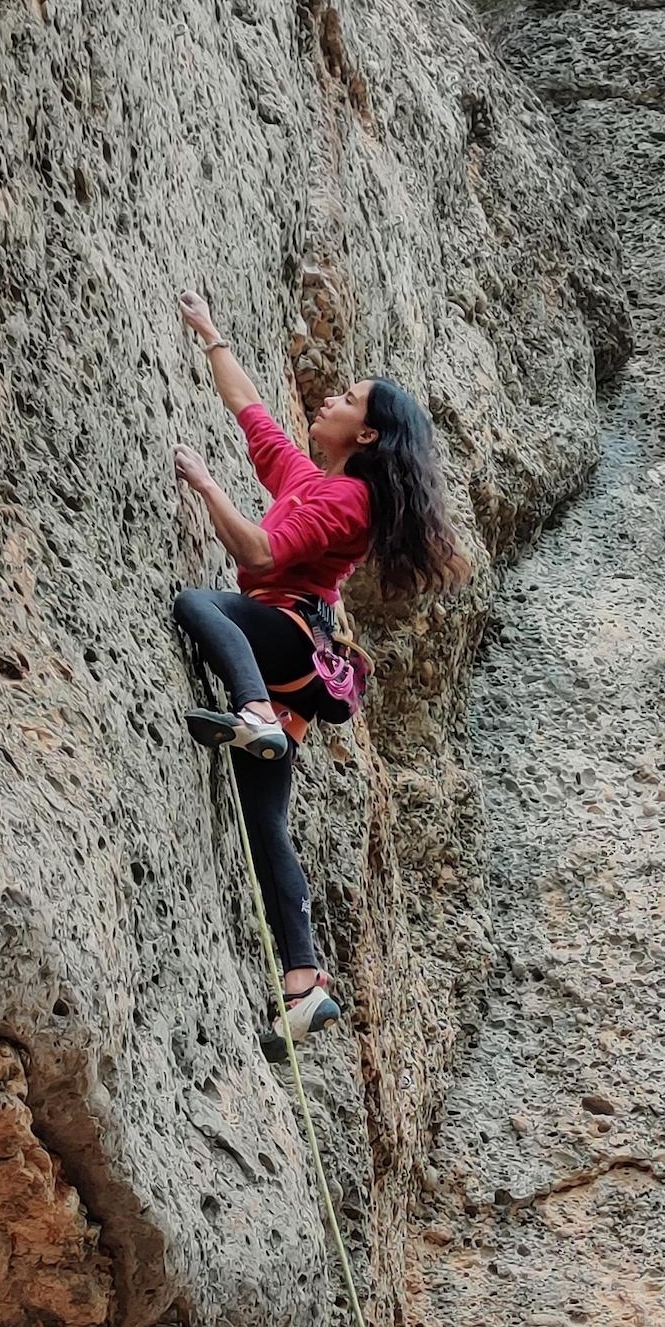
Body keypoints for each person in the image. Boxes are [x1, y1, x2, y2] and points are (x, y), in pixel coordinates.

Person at [172, 289, 466, 1061]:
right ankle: (303, 983)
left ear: (365, 432)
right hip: (293, 666)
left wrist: (205, 488)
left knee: (203, 602)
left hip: (285, 646)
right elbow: (256, 420)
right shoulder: (315, 481)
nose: (329, 398)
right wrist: (212, 335)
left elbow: (263, 558)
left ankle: (253, 715)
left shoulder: (347, 499)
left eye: (345, 397)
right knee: (265, 821)